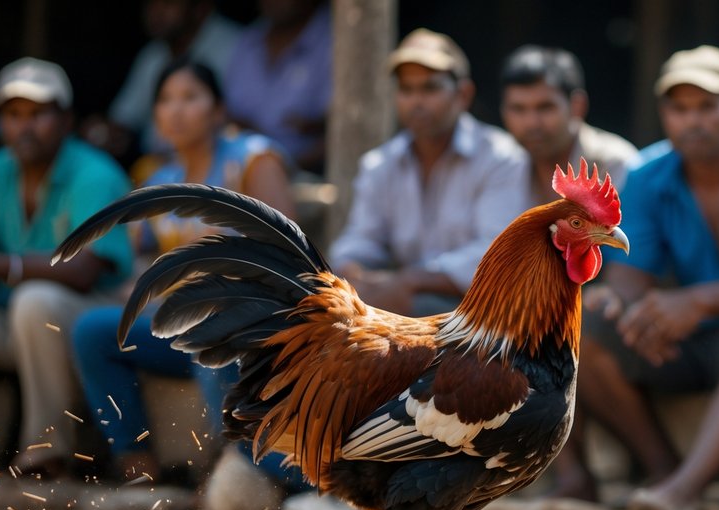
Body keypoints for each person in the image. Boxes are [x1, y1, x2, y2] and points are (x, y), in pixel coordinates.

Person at [552, 45, 719, 510]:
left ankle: (686, 487)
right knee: (586, 323)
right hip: (689, 344)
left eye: (707, 106)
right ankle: (663, 474)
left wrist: (695, 302)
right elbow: (631, 276)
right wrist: (629, 309)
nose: (693, 120)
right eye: (679, 108)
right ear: (664, 114)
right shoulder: (649, 175)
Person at [70, 59, 295, 488]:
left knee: (210, 334)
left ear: (218, 111)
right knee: (93, 333)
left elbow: (290, 251)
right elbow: (139, 258)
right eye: (166, 100)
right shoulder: (160, 179)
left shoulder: (252, 159)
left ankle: (263, 474)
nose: (176, 110)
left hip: (252, 325)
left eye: (190, 98)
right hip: (185, 323)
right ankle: (140, 475)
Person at [0, 58, 134, 479]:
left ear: (65, 120)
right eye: (13, 114)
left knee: (35, 298)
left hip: (94, 322)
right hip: (17, 326)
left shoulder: (94, 174)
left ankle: (46, 452)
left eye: (38, 114)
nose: (24, 127)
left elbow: (85, 271)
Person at [330, 28, 529, 318]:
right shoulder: (380, 164)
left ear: (463, 94)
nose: (416, 102)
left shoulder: (501, 158)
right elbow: (360, 238)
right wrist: (352, 271)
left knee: (415, 310)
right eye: (406, 90)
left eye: (430, 88)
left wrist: (411, 280)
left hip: (483, 311)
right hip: (402, 301)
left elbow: (498, 255)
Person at [87, 0, 241, 161]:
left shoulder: (235, 47)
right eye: (165, 99)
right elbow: (123, 120)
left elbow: (241, 125)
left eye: (168, 3)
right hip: (162, 165)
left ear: (200, 7)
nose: (156, 11)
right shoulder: (152, 56)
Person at [499, 45, 637, 206]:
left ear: (577, 106)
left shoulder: (617, 165)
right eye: (518, 109)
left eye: (545, 107)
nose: (532, 123)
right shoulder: (499, 166)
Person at [223, 0, 330, 174]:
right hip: (241, 175)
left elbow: (340, 133)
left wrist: (283, 168)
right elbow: (225, 117)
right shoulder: (248, 40)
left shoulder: (334, 41)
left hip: (309, 178)